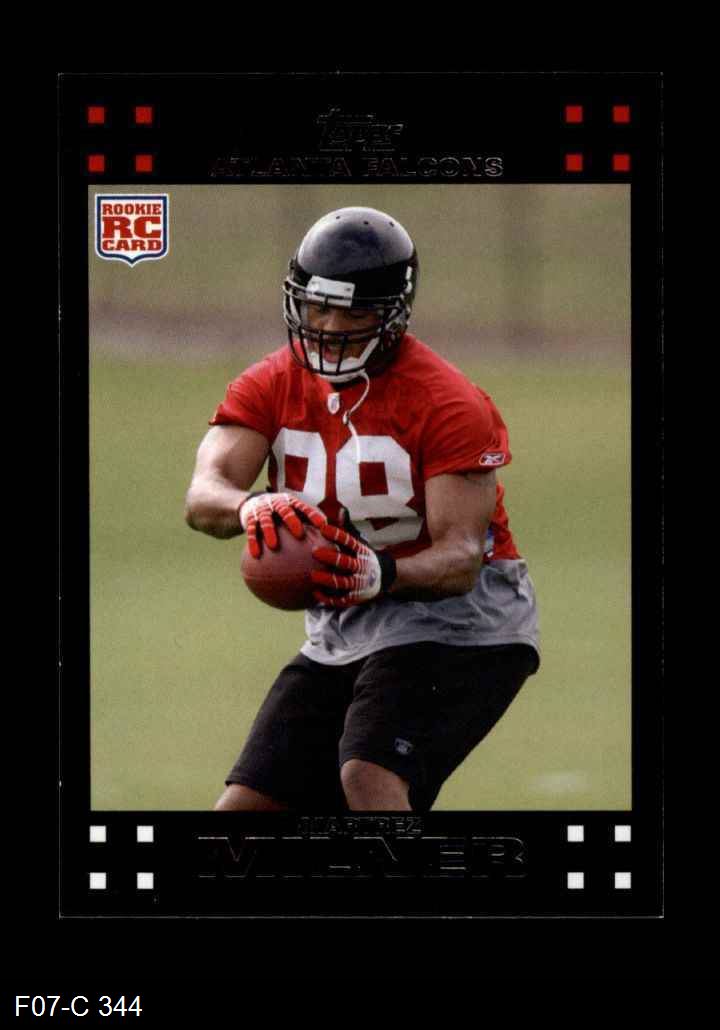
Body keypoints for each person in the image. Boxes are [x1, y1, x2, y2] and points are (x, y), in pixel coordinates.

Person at [184, 206, 540, 813]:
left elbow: (461, 558)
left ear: (393, 315)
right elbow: (203, 493)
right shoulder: (269, 383)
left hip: (462, 626)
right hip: (344, 625)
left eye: (354, 312)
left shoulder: (448, 401)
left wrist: (381, 571)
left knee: (369, 776)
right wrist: (250, 507)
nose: (329, 326)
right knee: (245, 810)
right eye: (318, 307)